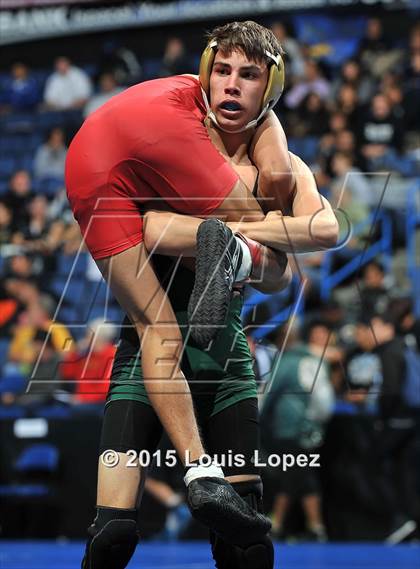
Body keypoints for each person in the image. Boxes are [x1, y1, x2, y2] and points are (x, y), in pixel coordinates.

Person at [80, 21, 338, 569]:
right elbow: (145, 230)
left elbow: (300, 258)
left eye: (248, 75)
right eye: (222, 71)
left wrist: (242, 240)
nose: (232, 85)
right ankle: (228, 249)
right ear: (204, 75)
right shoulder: (164, 147)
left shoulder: (284, 167)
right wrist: (259, 230)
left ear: (268, 90)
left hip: (227, 358)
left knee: (247, 547)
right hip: (148, 354)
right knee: (112, 538)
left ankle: (231, 253)